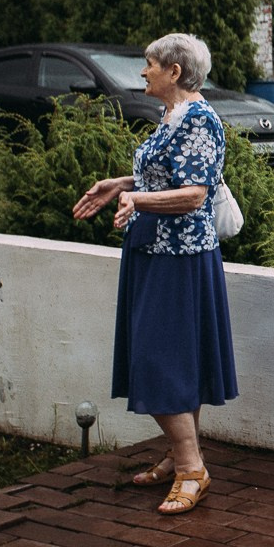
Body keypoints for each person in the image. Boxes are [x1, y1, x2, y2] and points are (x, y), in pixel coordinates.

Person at [74, 32, 237, 515]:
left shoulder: (200, 119)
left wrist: (137, 199)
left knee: (157, 358)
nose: (143, 72)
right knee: (177, 361)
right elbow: (163, 175)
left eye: (149, 64)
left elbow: (194, 194)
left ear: (175, 72)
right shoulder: (173, 115)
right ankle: (179, 455)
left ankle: (192, 468)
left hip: (179, 258)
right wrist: (120, 184)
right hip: (154, 251)